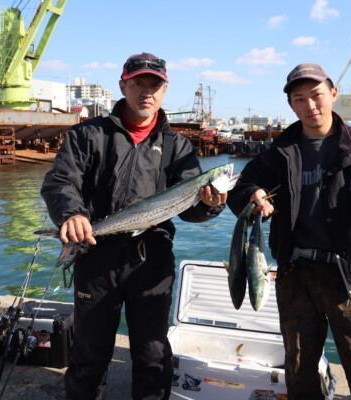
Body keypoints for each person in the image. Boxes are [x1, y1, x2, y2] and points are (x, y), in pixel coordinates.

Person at [41, 52, 227, 400]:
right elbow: (60, 182)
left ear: (164, 90)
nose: (146, 92)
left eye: (154, 85)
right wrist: (71, 215)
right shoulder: (87, 134)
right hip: (96, 256)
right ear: (122, 86)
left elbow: (189, 210)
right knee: (89, 354)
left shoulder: (178, 146)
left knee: (153, 355)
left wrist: (210, 206)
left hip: (152, 258)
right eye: (138, 83)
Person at [227, 63, 351, 399]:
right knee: (299, 371)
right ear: (292, 105)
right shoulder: (281, 151)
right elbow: (242, 186)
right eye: (300, 99)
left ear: (333, 94)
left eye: (316, 95)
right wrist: (253, 196)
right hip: (295, 272)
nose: (310, 105)